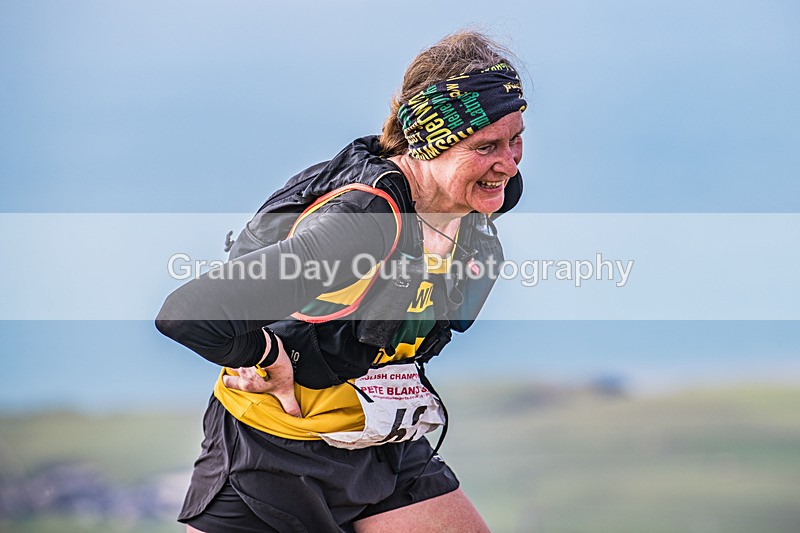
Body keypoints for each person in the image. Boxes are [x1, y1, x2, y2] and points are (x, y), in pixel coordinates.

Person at [156, 29, 527, 533]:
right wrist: (262, 356)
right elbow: (190, 315)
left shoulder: (480, 198)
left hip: (383, 448)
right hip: (273, 457)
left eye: (516, 138)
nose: (507, 165)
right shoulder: (362, 226)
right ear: (430, 144)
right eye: (486, 146)